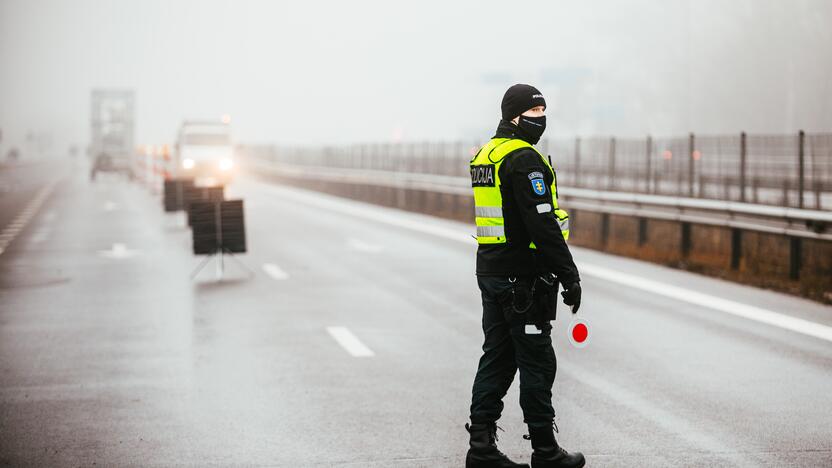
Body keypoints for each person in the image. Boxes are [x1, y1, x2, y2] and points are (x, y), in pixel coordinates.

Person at [465, 84, 585, 468]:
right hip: (523, 279)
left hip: (491, 270)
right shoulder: (524, 159)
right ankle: (545, 450)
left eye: (544, 112)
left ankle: (481, 448)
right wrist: (569, 274)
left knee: (497, 357)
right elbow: (542, 224)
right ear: (514, 116)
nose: (542, 120)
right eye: (535, 113)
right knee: (537, 361)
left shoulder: (488, 155)